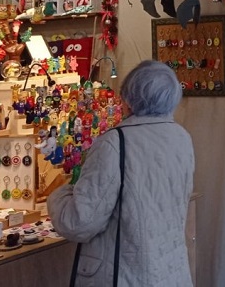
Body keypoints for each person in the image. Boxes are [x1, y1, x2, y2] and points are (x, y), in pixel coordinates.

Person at [48, 61, 194, 286]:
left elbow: (80, 222)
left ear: (128, 99)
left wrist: (59, 195)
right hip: (171, 270)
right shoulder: (181, 137)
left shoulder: (115, 142)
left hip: (126, 274)